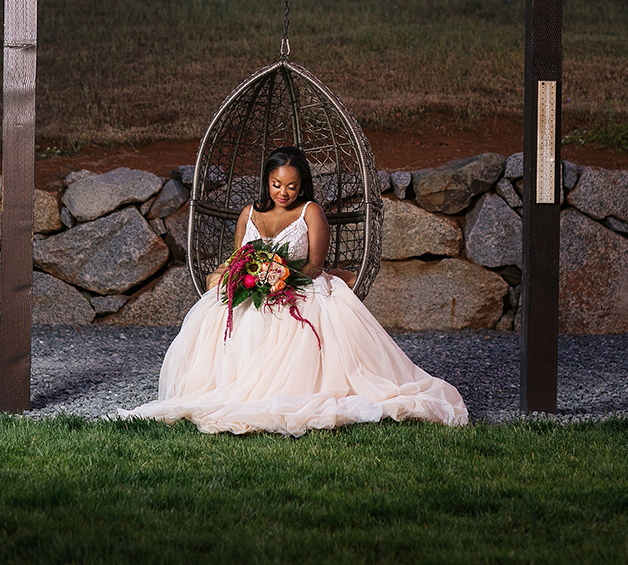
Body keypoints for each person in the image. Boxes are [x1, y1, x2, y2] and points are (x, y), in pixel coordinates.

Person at [120, 146, 468, 435]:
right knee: (218, 312)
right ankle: (227, 386)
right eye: (276, 185)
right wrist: (240, 275)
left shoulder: (310, 212)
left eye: (291, 186)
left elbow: (316, 264)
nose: (283, 193)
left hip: (300, 284)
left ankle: (283, 390)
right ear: (266, 182)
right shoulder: (249, 213)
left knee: (292, 319)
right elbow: (239, 258)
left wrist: (282, 278)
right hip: (254, 286)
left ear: (301, 187)